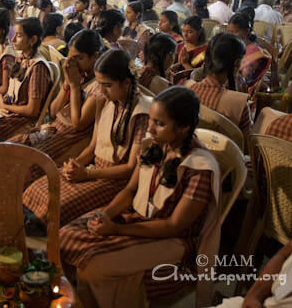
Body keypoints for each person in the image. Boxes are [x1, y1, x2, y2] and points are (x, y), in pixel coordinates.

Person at [59, 86, 220, 308]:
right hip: (136, 218)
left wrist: (116, 230)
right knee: (64, 237)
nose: (150, 128)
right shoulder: (154, 145)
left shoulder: (200, 167)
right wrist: (105, 215)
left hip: (172, 242)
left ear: (183, 127)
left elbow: (173, 226)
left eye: (159, 124)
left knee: (93, 264)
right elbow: (130, 190)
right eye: (151, 120)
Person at [23, 49, 150, 227]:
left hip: (115, 181)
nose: (102, 90)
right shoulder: (103, 100)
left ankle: (46, 247)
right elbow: (92, 147)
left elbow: (130, 168)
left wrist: (88, 173)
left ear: (127, 83)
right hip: (93, 169)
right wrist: (75, 165)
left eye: (108, 85)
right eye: (99, 84)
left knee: (56, 205)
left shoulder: (142, 113)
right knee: (36, 189)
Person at [8, 30, 105, 172]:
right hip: (55, 128)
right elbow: (53, 111)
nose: (73, 63)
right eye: (71, 58)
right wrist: (67, 83)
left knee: (25, 165)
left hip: (72, 138)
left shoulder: (99, 87)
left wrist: (75, 86)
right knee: (9, 148)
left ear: (95, 57)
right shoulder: (78, 75)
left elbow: (78, 124)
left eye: (79, 58)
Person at [0, 17, 52, 143]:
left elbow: (32, 110)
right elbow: (10, 92)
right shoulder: (22, 58)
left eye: (18, 36)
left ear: (32, 40)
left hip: (22, 119)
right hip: (9, 109)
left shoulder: (38, 67)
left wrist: (5, 105)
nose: (13, 39)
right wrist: (3, 104)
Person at [189, 33, 252, 142]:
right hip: (225, 158)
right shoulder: (239, 104)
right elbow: (247, 147)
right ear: (236, 64)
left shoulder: (188, 89)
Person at [227, 13, 272, 93]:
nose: (231, 36)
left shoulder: (254, 52)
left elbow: (245, 79)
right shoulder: (231, 47)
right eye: (229, 32)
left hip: (243, 91)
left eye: (235, 32)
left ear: (247, 31)